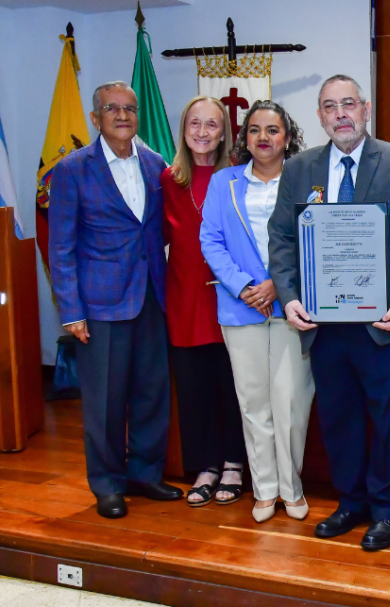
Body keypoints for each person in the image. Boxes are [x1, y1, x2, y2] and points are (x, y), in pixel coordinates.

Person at [268, 74, 390, 551]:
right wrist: (290, 295)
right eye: (329, 106)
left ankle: (386, 510)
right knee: (339, 419)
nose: (340, 114)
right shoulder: (299, 169)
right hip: (325, 326)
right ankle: (350, 503)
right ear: (319, 116)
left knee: (388, 421)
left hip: (385, 323)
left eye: (348, 104)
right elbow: (282, 237)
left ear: (366, 109)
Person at [48, 81, 182, 519]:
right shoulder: (72, 169)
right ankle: (107, 483)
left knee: (151, 393)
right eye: (112, 108)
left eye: (130, 108)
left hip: (152, 298)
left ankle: (144, 474)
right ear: (95, 118)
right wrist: (72, 311)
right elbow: (61, 246)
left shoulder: (155, 163)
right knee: (105, 400)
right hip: (101, 304)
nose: (123, 116)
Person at [200, 100, 314, 524]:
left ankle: (292, 488)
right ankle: (265, 490)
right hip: (239, 305)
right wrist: (244, 285)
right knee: (253, 404)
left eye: (272, 130)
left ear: (288, 137)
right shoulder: (223, 183)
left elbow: (316, 240)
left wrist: (277, 286)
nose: (263, 138)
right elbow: (210, 239)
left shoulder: (306, 181)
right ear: (244, 138)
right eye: (254, 130)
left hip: (291, 305)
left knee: (292, 403)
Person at [161, 95, 247, 508]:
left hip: (230, 296)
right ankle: (206, 465)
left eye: (211, 125)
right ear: (183, 129)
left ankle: (234, 464)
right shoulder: (167, 179)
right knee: (194, 389)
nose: (201, 132)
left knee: (232, 386)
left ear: (224, 131)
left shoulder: (238, 177)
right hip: (184, 298)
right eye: (194, 123)